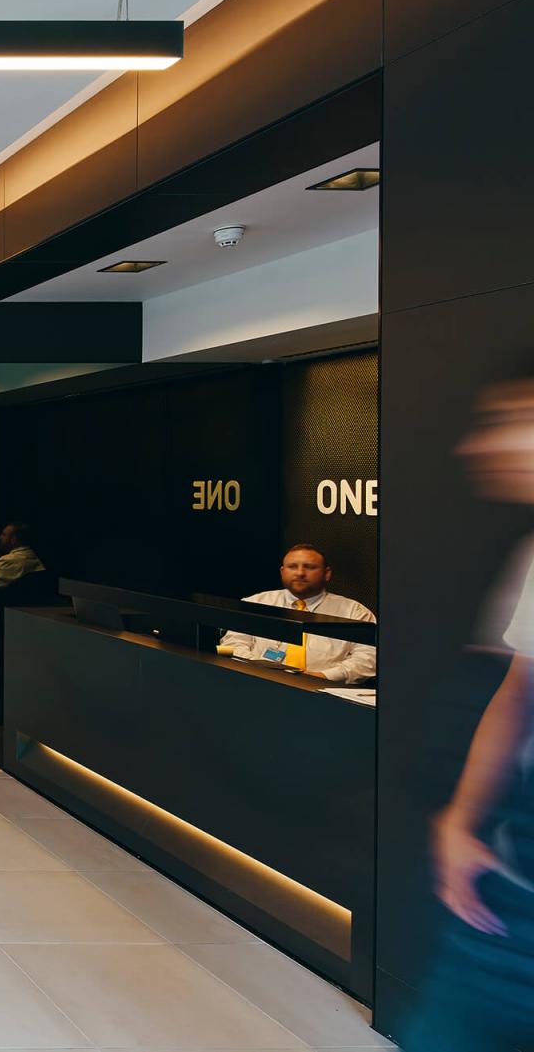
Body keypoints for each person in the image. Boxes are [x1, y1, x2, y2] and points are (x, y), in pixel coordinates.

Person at [405, 370, 534, 1048]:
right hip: (512, 859)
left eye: (517, 417)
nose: (485, 444)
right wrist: (461, 816)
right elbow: (519, 689)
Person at [224, 544, 378, 683]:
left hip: (324, 692)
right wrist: (265, 671)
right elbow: (233, 645)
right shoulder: (255, 603)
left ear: (327, 573)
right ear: (282, 572)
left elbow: (368, 658)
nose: (300, 573)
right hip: (260, 684)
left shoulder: (354, 612)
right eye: (292, 566)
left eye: (309, 567)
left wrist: (323, 677)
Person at [0, 521, 45, 589]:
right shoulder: (32, 556)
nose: (0, 537)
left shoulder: (8, 561)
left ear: (13, 539)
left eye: (4, 534)